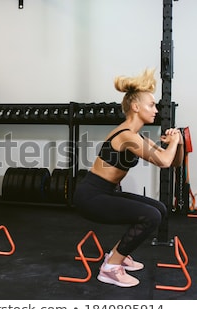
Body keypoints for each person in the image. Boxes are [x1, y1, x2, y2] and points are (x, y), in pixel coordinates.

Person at [72, 68, 184, 287]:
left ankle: (116, 256)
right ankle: (111, 268)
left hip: (105, 192)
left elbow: (173, 161)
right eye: (151, 105)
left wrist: (178, 143)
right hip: (90, 197)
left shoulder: (135, 136)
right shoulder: (126, 136)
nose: (155, 109)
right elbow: (163, 161)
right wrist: (172, 143)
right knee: (151, 216)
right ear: (135, 107)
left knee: (159, 209)